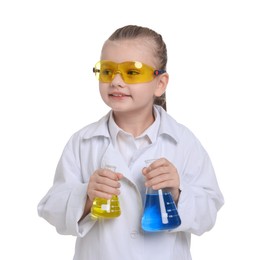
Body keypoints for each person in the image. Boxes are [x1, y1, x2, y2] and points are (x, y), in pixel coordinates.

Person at [38, 25, 224, 260]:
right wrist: (86, 196)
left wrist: (178, 194)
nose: (116, 81)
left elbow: (209, 214)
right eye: (107, 71)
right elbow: (50, 208)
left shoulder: (183, 143)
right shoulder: (82, 143)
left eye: (132, 72)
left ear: (160, 83)